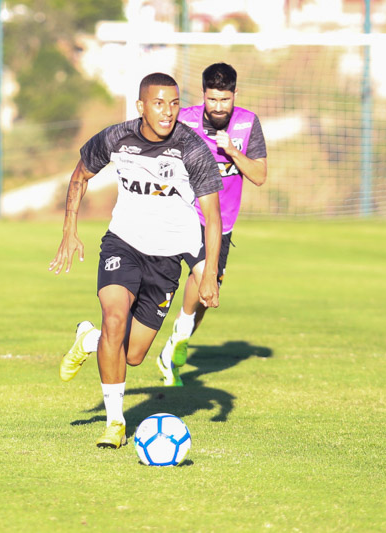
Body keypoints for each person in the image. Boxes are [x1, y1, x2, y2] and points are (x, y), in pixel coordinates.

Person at [48, 72, 223, 449]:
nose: (168, 112)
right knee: (114, 317)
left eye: (175, 104)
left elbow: (212, 215)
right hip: (123, 244)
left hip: (167, 259)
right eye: (159, 103)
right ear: (141, 106)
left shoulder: (192, 149)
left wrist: (208, 274)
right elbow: (80, 176)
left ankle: (88, 340)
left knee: (134, 354)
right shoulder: (115, 138)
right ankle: (115, 423)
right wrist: (69, 230)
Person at [156, 63, 268, 386]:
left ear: (235, 95)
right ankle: (175, 335)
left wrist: (232, 151)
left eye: (225, 100)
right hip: (184, 215)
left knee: (208, 294)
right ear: (203, 95)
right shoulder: (185, 121)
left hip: (223, 224)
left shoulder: (247, 124)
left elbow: (259, 176)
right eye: (212, 99)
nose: (218, 107)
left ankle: (176, 344)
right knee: (199, 277)